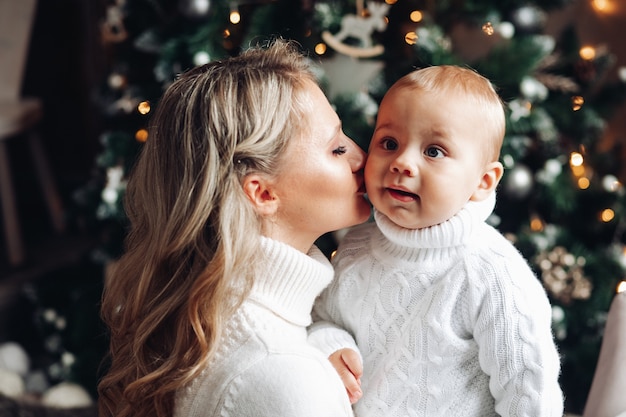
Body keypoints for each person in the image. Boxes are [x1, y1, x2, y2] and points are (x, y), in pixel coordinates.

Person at [97, 39, 372, 417]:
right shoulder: (290, 377)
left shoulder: (205, 312)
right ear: (262, 193)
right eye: (337, 148)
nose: (363, 157)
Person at [309, 65, 564, 416]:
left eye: (434, 151)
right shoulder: (355, 246)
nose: (402, 162)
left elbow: (529, 393)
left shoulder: (491, 272)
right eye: (389, 143)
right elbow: (322, 318)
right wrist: (331, 345)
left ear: (483, 181)